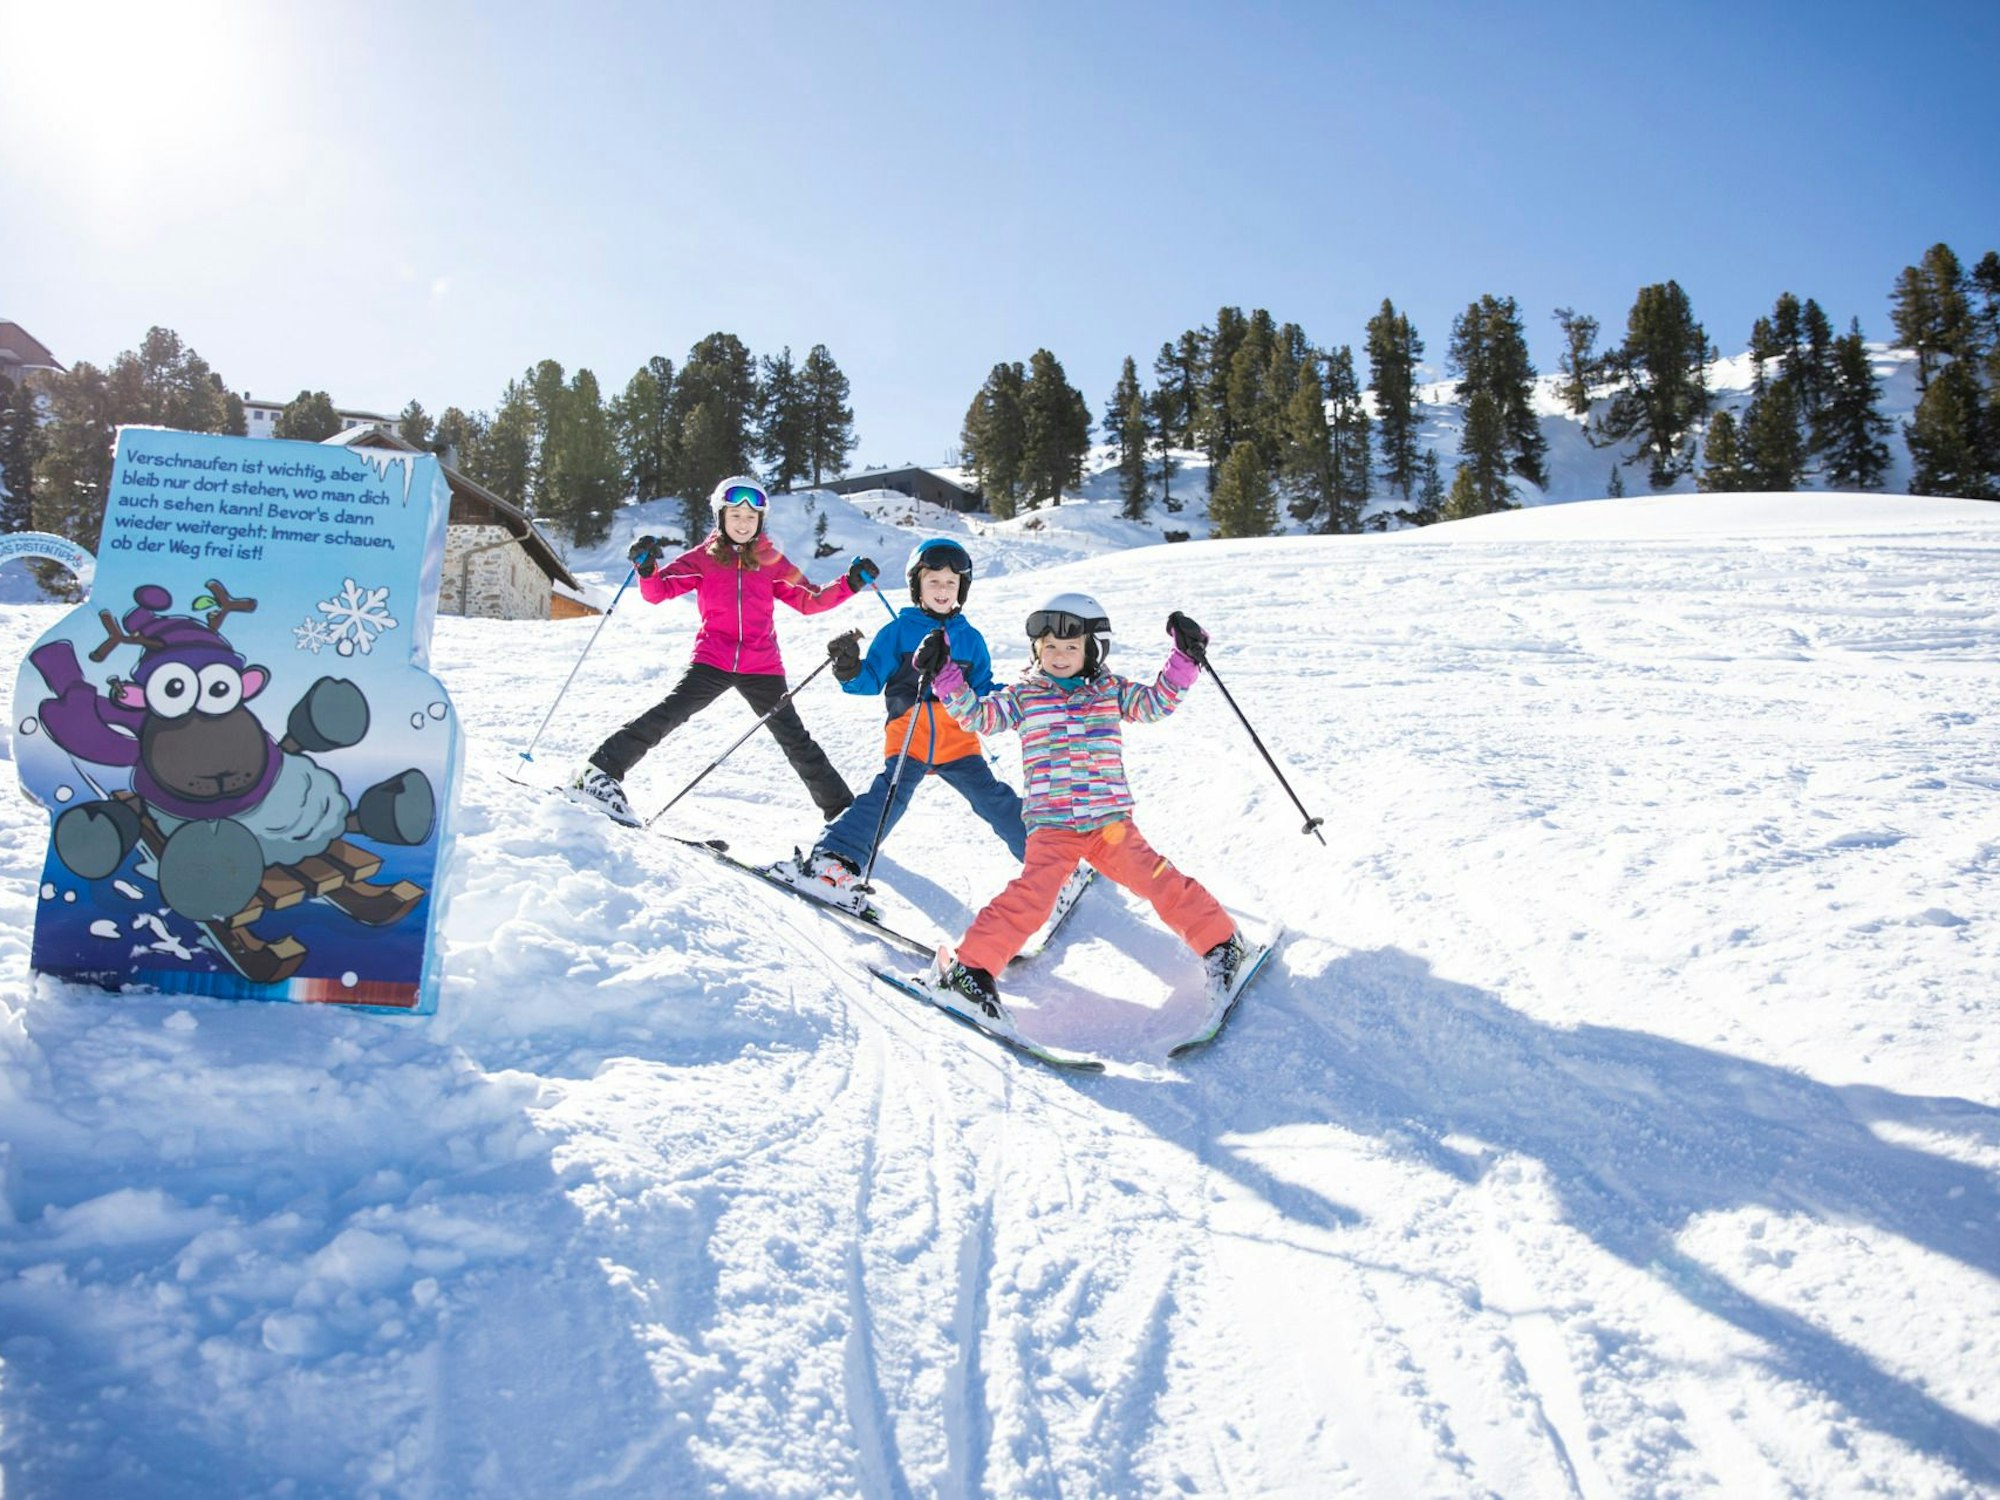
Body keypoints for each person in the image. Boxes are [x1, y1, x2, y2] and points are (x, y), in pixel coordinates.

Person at [912, 592, 1245, 1020]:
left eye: (1071, 647)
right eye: (1049, 647)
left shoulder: (1110, 690)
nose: (1059, 655)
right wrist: (946, 676)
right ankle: (970, 970)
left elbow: (1156, 703)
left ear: (1093, 651)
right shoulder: (1024, 696)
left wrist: (1185, 657)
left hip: (1109, 823)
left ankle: (1221, 943)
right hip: (1052, 826)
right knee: (1031, 898)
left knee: (1159, 880)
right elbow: (980, 718)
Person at [571, 475, 877, 827]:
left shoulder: (771, 560)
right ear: (721, 517)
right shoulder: (702, 558)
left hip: (762, 664)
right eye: (736, 516)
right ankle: (598, 772)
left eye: (751, 518)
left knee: (794, 738)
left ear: (760, 521)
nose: (743, 524)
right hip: (713, 658)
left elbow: (809, 600)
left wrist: (850, 583)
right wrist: (647, 569)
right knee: (670, 713)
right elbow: (658, 592)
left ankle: (843, 813)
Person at [770, 536, 1046, 912]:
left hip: (959, 740)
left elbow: (983, 690)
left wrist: (1019, 694)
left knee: (992, 798)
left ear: (962, 588)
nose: (943, 590)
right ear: (918, 585)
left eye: (951, 582)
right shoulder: (898, 632)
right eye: (933, 581)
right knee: (888, 797)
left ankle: (1046, 860)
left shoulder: (970, 638)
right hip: (910, 733)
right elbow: (867, 682)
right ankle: (832, 860)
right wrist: (849, 667)